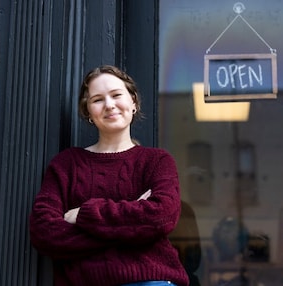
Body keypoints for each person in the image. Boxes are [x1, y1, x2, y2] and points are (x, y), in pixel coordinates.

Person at [29, 65, 189, 286]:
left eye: (116, 95)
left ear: (133, 102)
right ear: (88, 112)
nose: (109, 105)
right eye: (97, 99)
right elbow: (43, 232)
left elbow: (161, 217)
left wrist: (84, 215)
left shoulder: (157, 161)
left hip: (149, 282)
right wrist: (132, 221)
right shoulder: (67, 164)